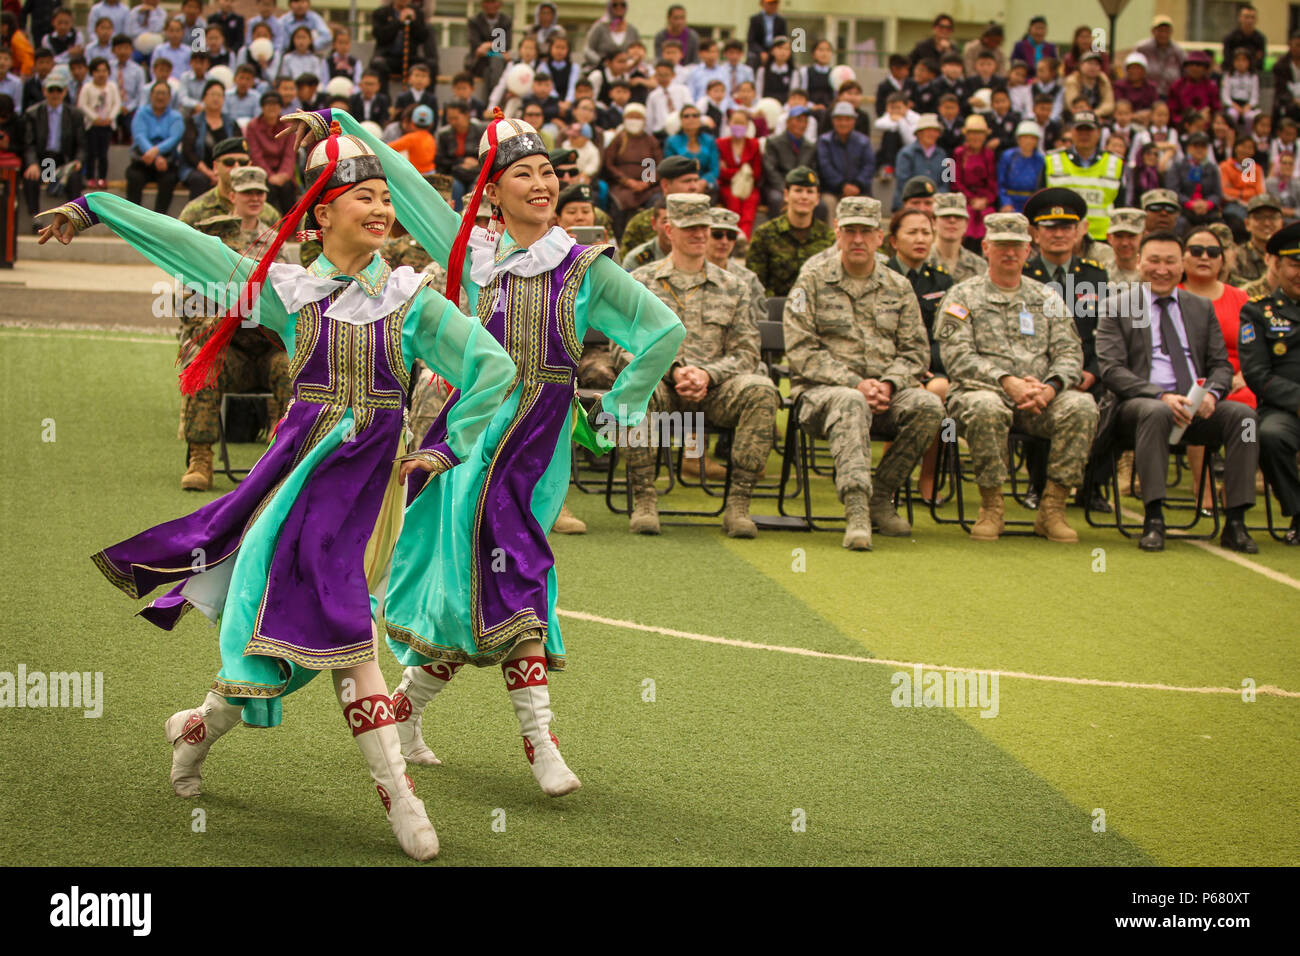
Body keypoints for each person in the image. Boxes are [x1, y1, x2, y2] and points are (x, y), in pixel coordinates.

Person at [40, 118, 518, 860]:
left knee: (292, 649)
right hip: (299, 488)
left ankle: (195, 729)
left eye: (384, 197)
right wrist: (100, 206)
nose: (380, 208)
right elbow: (195, 251)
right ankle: (401, 802)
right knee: (349, 638)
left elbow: (493, 368)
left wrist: (445, 446)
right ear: (321, 214)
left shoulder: (411, 300)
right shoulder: (287, 292)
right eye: (363, 196)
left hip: (373, 495)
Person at [268, 109, 685, 789]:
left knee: (499, 577)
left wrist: (619, 406)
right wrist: (342, 127)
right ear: (492, 190)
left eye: (548, 171)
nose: (542, 184)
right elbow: (400, 185)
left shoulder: (583, 267)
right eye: (523, 173)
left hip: (533, 445)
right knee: (485, 578)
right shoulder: (470, 251)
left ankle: (467, 723)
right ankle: (488, 731)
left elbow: (661, 329)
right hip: (462, 437)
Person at [784, 195, 943, 549]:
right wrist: (856, 383)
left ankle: (880, 497)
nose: (858, 239)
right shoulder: (811, 281)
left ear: (879, 237)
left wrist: (887, 383)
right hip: (822, 396)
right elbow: (800, 352)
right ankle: (856, 510)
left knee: (929, 406)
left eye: (865, 231)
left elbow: (916, 352)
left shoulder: (898, 287)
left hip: (887, 394)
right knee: (851, 400)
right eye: (850, 231)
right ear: (837, 234)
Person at [936, 212, 1096, 542]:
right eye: (1001, 245)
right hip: (982, 393)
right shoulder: (962, 296)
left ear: (1028, 250)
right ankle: (992, 506)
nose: (1009, 252)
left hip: (1039, 400)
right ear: (985, 248)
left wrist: (1050, 388)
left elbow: (1070, 353)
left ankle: (1052, 507)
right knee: (985, 407)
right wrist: (1006, 381)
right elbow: (956, 356)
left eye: (1017, 246)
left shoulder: (1047, 297)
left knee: (1082, 406)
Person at [1095, 231, 1259, 553]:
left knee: (1245, 418)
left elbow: (1221, 364)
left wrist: (1212, 394)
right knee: (1157, 412)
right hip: (1139, 406)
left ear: (1182, 265)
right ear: (1140, 262)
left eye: (1170, 261)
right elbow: (1112, 371)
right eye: (1154, 260)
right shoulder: (1117, 306)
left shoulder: (1199, 308)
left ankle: (1236, 520)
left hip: (1196, 405)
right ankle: (1154, 517)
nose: (1162, 269)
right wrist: (1160, 396)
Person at [1021, 187, 1112, 512]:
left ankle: (1092, 486)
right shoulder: (1022, 276)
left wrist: (1091, 372)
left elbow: (1108, 336)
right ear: (1034, 232)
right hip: (1035, 369)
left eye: (1066, 227)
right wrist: (1052, 378)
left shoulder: (1096, 276)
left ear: (1078, 231)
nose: (1058, 234)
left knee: (1112, 398)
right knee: (1036, 395)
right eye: (1049, 227)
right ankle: (1038, 484)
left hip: (1087, 369)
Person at [885, 206, 952, 502]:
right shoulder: (881, 276)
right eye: (912, 232)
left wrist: (924, 364)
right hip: (886, 366)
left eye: (926, 232)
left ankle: (928, 476)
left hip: (929, 367)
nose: (920, 239)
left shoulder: (943, 282)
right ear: (894, 241)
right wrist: (905, 367)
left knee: (940, 389)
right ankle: (890, 475)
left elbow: (948, 336)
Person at [1240, 221, 1300, 544]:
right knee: (1270, 436)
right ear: (1276, 264)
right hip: (1284, 409)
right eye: (1295, 264)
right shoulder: (1257, 312)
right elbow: (1256, 374)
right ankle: (1299, 513)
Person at [745, 165, 834, 298]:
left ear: (817, 198)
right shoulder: (764, 234)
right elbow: (755, 284)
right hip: (773, 311)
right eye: (798, 190)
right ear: (786, 195)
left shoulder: (829, 237)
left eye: (810, 192)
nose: (804, 197)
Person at [1042, 110, 1122, 240]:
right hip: (1061, 236)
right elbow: (1042, 201)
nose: (1084, 135)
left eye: (1089, 130)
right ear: (1072, 132)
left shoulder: (1115, 163)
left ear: (1098, 133)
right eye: (1080, 130)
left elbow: (1120, 204)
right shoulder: (1052, 160)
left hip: (1103, 238)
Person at [21, 72, 83, 227]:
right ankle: (36, 218)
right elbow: (29, 143)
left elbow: (82, 145)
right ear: (44, 91)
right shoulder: (33, 113)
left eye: (58, 90)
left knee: (75, 176)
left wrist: (78, 161)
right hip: (43, 159)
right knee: (30, 176)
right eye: (51, 90)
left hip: (64, 159)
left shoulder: (75, 114)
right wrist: (32, 163)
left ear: (65, 91)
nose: (55, 94)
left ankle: (72, 219)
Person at [621, 154, 698, 253]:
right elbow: (627, 265)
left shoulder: (709, 219)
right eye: (687, 181)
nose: (694, 187)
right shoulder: (641, 223)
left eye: (696, 180)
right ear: (665, 185)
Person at [952, 113, 996, 249]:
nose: (976, 137)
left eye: (980, 134)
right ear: (967, 135)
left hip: (983, 201)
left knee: (988, 217)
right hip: (964, 199)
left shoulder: (989, 154)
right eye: (973, 133)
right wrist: (970, 199)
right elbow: (954, 181)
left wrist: (986, 200)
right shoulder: (958, 153)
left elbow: (993, 182)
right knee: (966, 217)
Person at [816, 100, 873, 203]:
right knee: (827, 203)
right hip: (832, 191)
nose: (843, 123)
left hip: (860, 190)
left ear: (854, 121)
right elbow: (825, 166)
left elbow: (868, 166)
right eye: (839, 119)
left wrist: (857, 184)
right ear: (833, 121)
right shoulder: (825, 141)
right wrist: (842, 185)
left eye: (848, 119)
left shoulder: (864, 141)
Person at [1165, 131, 1222, 231]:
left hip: (1207, 210)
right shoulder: (1178, 166)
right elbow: (1173, 191)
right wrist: (1191, 204)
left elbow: (1217, 194)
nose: (1199, 150)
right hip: (1184, 209)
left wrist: (1207, 204)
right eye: (1196, 146)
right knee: (1180, 223)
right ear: (1188, 148)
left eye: (1203, 147)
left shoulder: (1212, 168)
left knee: (1220, 225)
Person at [718, 107, 761, 236]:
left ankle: (744, 237)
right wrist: (742, 170)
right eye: (735, 122)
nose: (738, 126)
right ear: (729, 124)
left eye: (741, 123)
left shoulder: (754, 144)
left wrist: (730, 170)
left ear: (748, 125)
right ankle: (734, 235)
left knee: (751, 202)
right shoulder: (721, 144)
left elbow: (757, 173)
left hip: (748, 186)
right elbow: (721, 173)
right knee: (734, 201)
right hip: (727, 186)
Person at [892, 113, 947, 211]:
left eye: (935, 131)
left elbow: (946, 182)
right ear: (919, 133)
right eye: (928, 130)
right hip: (909, 201)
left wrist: (935, 198)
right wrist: (922, 198)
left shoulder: (943, 154)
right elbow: (903, 182)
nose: (932, 134)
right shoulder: (906, 153)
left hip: (935, 203)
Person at [928, 192, 987, 281]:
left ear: (966, 224)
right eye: (946, 216)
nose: (952, 221)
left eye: (958, 217)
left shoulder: (979, 265)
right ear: (933, 222)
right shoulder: (921, 261)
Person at [1232, 193, 1284, 287]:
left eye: (1272, 217)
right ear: (1247, 223)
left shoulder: (1288, 257)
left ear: (1281, 222)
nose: (1267, 223)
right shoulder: (1236, 256)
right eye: (1259, 217)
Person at [665, 104, 719, 191]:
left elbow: (714, 169)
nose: (691, 119)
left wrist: (703, 181)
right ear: (681, 120)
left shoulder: (709, 140)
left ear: (700, 119)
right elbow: (670, 168)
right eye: (686, 116)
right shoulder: (672, 141)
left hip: (704, 184)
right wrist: (689, 183)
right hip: (681, 183)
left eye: (695, 116)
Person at [466, 0, 512, 94]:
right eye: (487, 2)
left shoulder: (506, 21)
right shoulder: (474, 21)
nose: (490, 5)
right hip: (480, 62)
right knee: (495, 63)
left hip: (497, 60)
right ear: (482, 4)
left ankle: (490, 103)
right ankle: (495, 103)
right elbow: (476, 47)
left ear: (500, 3)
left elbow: (506, 45)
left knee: (492, 68)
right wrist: (496, 51)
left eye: (493, 2)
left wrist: (488, 45)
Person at [996, 120, 1043, 213]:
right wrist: (1006, 202)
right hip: (1010, 201)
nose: (1028, 141)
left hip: (1030, 202)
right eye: (1025, 137)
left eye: (1032, 138)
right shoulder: (1008, 156)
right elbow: (1000, 183)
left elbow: (1041, 185)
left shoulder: (1040, 159)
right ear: (1018, 139)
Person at [583, 0, 639, 69]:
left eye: (623, 4)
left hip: (626, 71)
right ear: (609, 7)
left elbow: (638, 50)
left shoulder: (632, 30)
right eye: (615, 5)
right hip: (601, 70)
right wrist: (602, 63)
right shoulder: (599, 27)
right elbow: (588, 49)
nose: (619, 7)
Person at [1106, 208, 1144, 284]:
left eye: (1131, 236)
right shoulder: (1102, 273)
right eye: (1119, 236)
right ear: (1109, 238)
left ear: (1143, 237)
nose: (1124, 243)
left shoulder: (1150, 274)